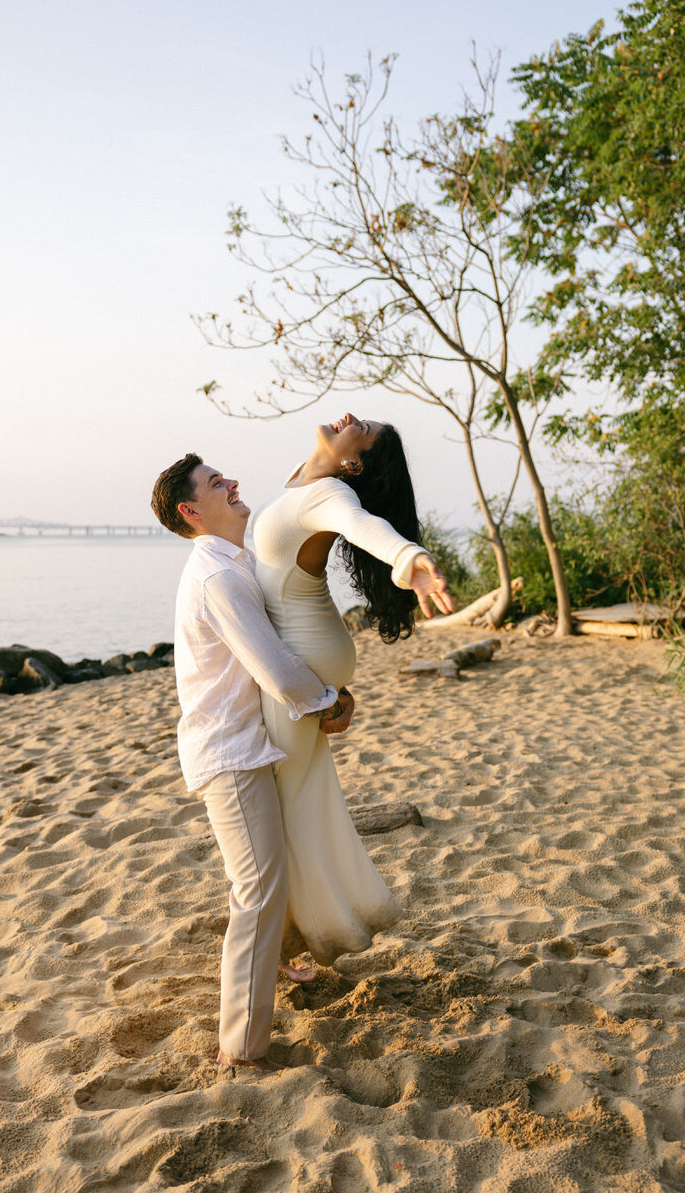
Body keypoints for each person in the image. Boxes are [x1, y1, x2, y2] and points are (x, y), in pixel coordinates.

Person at [150, 454, 354, 1073]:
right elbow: (271, 663)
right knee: (258, 892)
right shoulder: (218, 578)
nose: (233, 483)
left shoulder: (233, 563)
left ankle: (284, 964)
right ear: (192, 511)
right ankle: (241, 1048)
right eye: (217, 483)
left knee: (274, 872)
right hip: (231, 755)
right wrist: (327, 701)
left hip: (250, 743)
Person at [252, 411, 452, 969]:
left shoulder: (331, 493)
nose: (347, 417)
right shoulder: (305, 479)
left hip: (302, 653)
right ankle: (313, 930)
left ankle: (298, 940)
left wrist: (409, 558)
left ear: (354, 460)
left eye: (360, 428)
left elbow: (367, 527)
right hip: (306, 649)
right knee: (299, 800)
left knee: (284, 808)